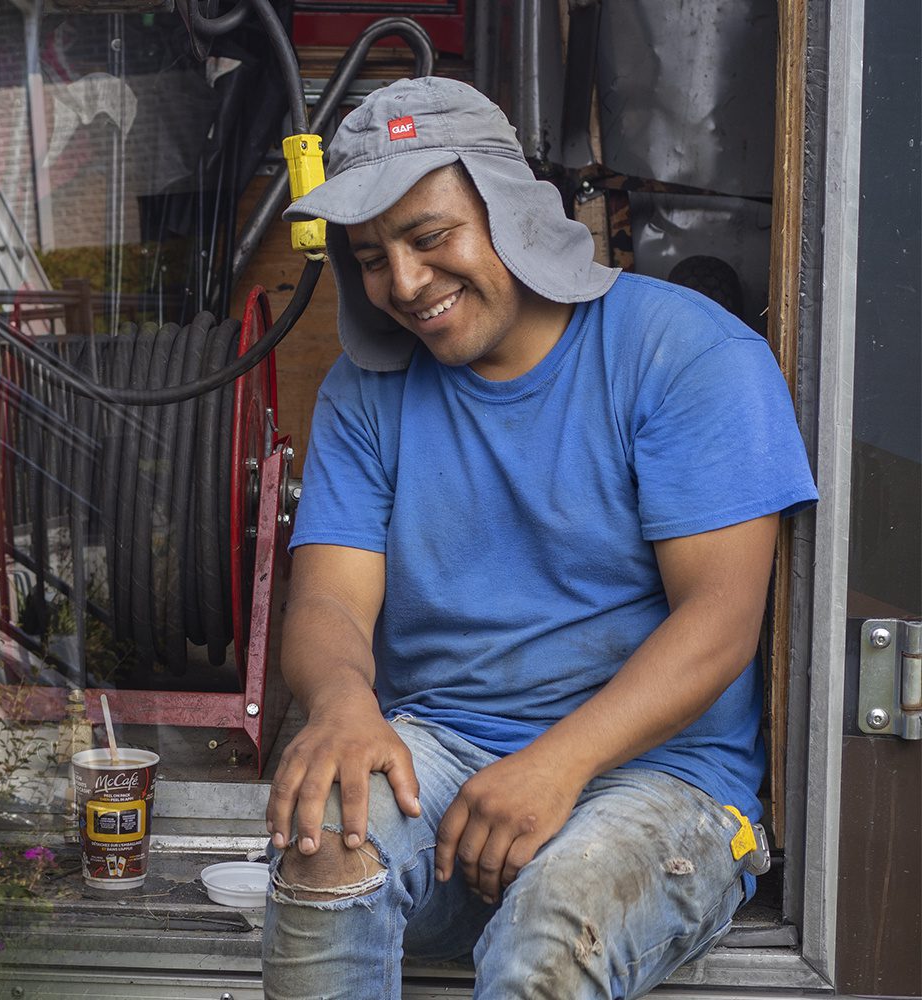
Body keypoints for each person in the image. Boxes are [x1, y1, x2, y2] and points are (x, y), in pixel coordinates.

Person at [260, 77, 817, 999]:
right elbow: (326, 599)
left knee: (557, 930)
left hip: (660, 780)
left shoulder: (685, 354)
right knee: (326, 831)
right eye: (370, 257)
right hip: (443, 761)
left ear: (514, 213)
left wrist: (555, 765)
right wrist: (342, 704)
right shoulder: (367, 392)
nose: (403, 284)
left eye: (431, 237)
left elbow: (721, 619)